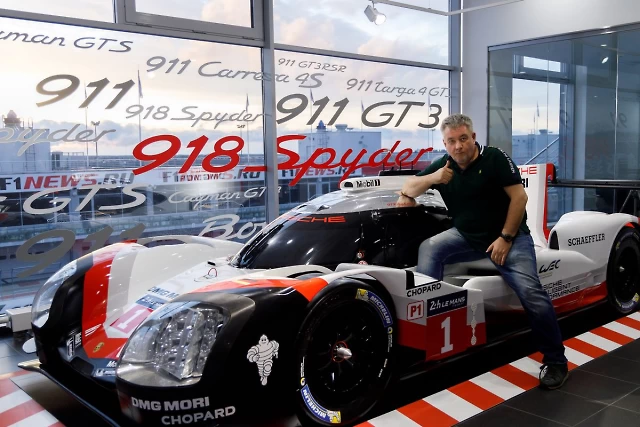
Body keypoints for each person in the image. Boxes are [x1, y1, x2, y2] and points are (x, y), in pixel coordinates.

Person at [398, 113, 569, 390]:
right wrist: (433, 178)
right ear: (445, 143)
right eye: (451, 141)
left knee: (531, 293)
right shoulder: (444, 165)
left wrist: (505, 237)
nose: (458, 146)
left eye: (463, 138)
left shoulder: (494, 158)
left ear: (473, 137)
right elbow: (408, 188)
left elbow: (520, 198)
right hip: (467, 236)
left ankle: (556, 360)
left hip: (509, 237)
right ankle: (427, 338)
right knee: (429, 248)